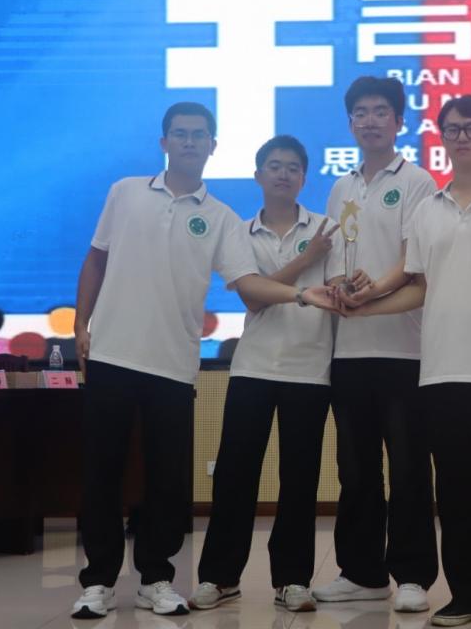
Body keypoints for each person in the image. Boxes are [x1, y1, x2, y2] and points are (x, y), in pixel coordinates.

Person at [71, 103, 335, 620]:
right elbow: (96, 258)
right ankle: (97, 581)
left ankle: (156, 578)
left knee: (168, 479)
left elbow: (249, 286)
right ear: (164, 142)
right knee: (102, 472)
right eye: (180, 134)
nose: (190, 142)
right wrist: (81, 325)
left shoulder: (222, 219)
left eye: (199, 135)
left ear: (213, 146)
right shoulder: (125, 192)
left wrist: (302, 294)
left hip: (174, 364)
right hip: (112, 354)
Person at [339, 95, 471, 629]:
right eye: (451, 129)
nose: (461, 137)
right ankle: (467, 598)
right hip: (438, 375)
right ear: (441, 137)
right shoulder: (427, 208)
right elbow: (419, 286)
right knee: (453, 495)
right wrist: (364, 306)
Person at [191, 135, 352, 613]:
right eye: (275, 166)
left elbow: (335, 287)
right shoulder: (240, 232)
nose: (283, 174)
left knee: (300, 477)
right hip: (253, 368)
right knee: (235, 474)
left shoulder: (327, 228)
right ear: (258, 175)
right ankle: (220, 577)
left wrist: (337, 282)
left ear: (304, 177)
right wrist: (305, 264)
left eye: (293, 167)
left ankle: (293, 579)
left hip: (310, 370)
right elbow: (253, 297)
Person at [313, 76, 438, 613]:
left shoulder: (417, 181)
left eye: (380, 111)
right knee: (356, 469)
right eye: (360, 112)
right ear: (350, 123)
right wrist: (341, 287)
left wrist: (372, 290)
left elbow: (414, 259)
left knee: (408, 467)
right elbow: (334, 259)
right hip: (349, 352)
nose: (370, 120)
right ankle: (362, 573)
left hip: (404, 350)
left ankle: (412, 575)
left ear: (399, 121)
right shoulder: (341, 188)